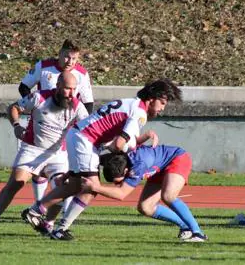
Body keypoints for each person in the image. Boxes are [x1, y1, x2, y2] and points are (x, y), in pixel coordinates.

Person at [22, 78, 182, 240]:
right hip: (86, 139)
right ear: (151, 98)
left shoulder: (131, 103)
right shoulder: (140, 113)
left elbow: (118, 140)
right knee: (91, 187)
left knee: (78, 185)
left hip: (81, 137)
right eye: (162, 102)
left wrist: (139, 140)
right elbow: (118, 145)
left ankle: (55, 225)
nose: (162, 108)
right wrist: (124, 162)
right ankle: (40, 213)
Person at [0, 72, 88, 235]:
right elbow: (13, 108)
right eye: (67, 89)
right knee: (16, 182)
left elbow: (89, 127)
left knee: (63, 188)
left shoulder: (77, 106)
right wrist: (17, 126)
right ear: (58, 85)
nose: (71, 93)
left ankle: (48, 223)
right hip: (32, 149)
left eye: (74, 89)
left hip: (57, 154)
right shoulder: (39, 97)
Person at [19, 39, 94, 212]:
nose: (70, 62)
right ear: (60, 53)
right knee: (38, 165)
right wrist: (33, 107)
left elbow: (88, 102)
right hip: (42, 123)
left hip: (65, 125)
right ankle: (39, 204)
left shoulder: (82, 73)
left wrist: (80, 124)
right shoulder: (44, 66)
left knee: (61, 167)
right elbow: (24, 86)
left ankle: (48, 207)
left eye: (74, 58)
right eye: (67, 57)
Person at [81, 145, 207, 242]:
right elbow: (89, 159)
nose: (118, 184)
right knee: (145, 207)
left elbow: (121, 194)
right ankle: (185, 226)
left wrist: (95, 187)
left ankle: (198, 233)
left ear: (126, 170)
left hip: (176, 158)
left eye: (120, 180)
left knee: (168, 196)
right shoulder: (111, 160)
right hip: (158, 168)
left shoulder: (138, 166)